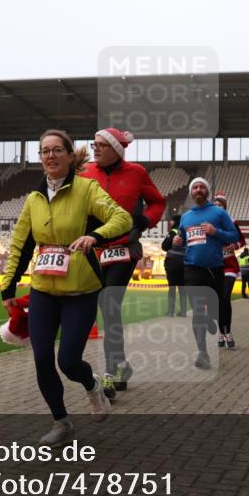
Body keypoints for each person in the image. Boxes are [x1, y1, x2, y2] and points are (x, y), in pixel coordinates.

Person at [1, 129, 132, 446]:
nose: (50, 156)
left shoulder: (87, 189)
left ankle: (93, 385)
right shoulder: (33, 200)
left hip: (81, 291)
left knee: (69, 361)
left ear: (71, 156)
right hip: (43, 290)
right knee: (42, 359)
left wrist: (96, 236)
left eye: (57, 149)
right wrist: (8, 287)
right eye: (44, 151)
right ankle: (61, 422)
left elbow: (122, 217)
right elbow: (20, 244)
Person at [80, 128, 165, 398]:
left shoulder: (137, 172)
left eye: (102, 145)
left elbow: (157, 202)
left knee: (110, 305)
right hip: (92, 251)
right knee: (93, 306)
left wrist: (145, 221)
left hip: (123, 250)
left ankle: (111, 372)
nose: (96, 149)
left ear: (117, 149)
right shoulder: (84, 172)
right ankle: (122, 366)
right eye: (94, 145)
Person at [174, 178, 238, 369]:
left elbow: (233, 235)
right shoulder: (185, 217)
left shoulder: (218, 212)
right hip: (192, 269)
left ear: (207, 192)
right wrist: (179, 241)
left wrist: (215, 231)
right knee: (197, 312)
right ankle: (203, 352)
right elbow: (186, 240)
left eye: (202, 187)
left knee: (215, 308)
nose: (199, 189)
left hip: (215, 269)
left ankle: (213, 321)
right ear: (191, 192)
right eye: (195, 187)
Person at [212, 193, 244, 349]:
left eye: (220, 204)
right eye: (215, 204)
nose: (217, 206)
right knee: (217, 301)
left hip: (230, 265)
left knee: (225, 298)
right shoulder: (208, 223)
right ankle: (221, 333)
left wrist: (235, 246)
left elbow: (241, 240)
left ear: (225, 207)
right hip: (214, 266)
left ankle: (228, 331)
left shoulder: (231, 222)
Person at [161, 213, 188, 317]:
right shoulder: (186, 232)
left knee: (172, 288)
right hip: (184, 263)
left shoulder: (173, 232)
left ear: (176, 221)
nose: (170, 222)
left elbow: (164, 246)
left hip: (172, 263)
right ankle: (183, 311)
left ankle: (170, 311)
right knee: (182, 288)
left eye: (172, 220)